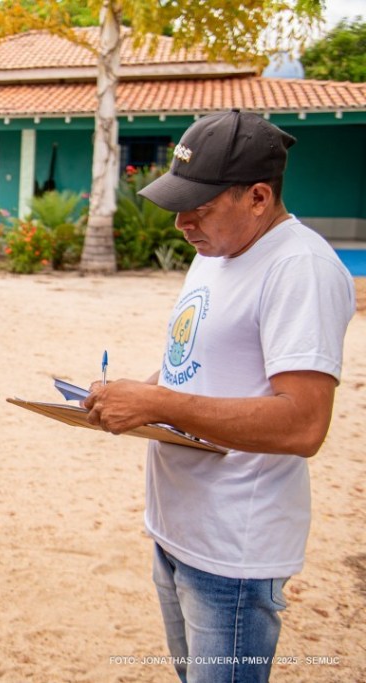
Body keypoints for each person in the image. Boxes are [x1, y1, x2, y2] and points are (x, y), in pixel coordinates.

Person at [82, 109, 355, 683]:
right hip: (181, 528)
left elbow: (305, 424)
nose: (182, 222)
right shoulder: (219, 251)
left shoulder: (298, 267)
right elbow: (197, 367)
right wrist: (134, 392)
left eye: (199, 207)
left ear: (258, 197)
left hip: (234, 550)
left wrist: (157, 405)